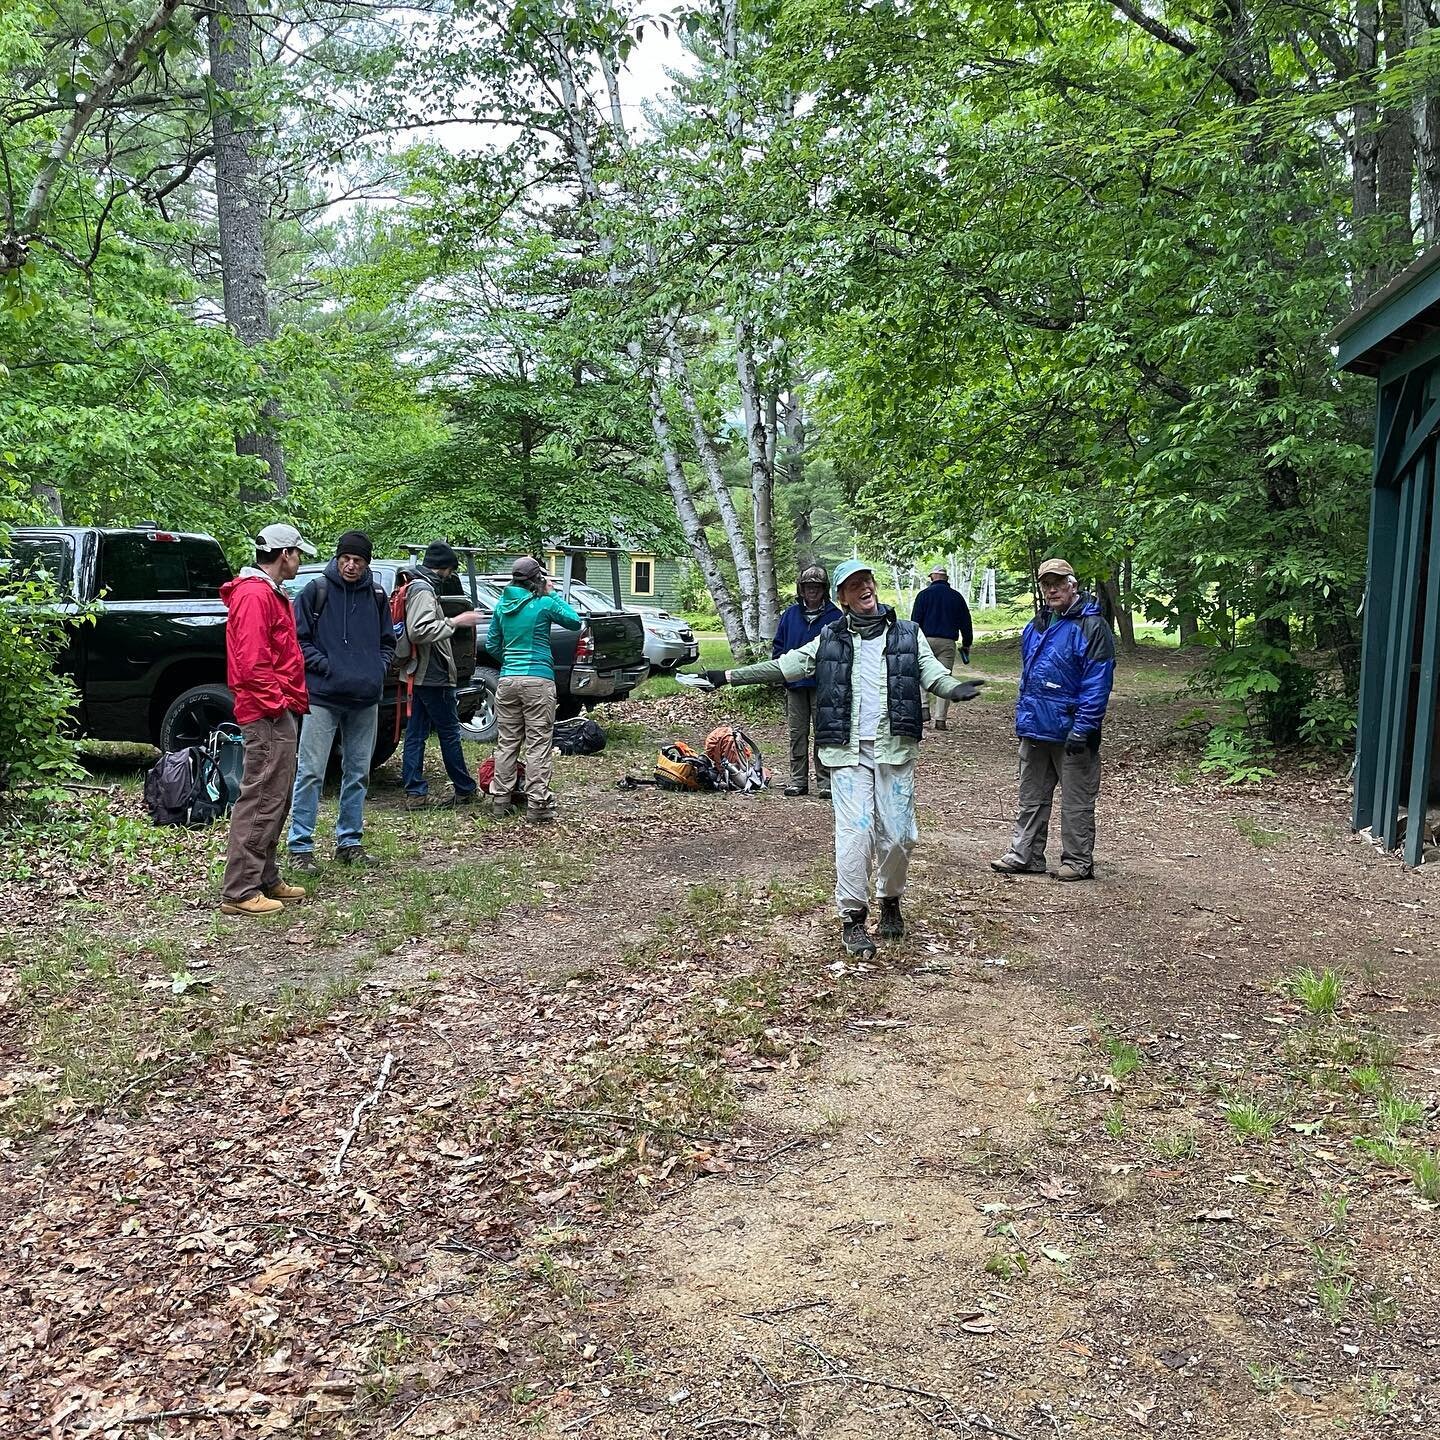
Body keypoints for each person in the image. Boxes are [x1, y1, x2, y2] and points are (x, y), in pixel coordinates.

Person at [703, 559, 983, 958]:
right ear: (843, 598)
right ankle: (852, 918)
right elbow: (784, 666)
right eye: (854, 585)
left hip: (894, 748)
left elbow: (932, 673)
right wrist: (727, 676)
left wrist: (955, 689)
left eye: (867, 581)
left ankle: (890, 900)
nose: (864, 588)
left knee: (901, 835)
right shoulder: (829, 638)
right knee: (856, 832)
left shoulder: (908, 633)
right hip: (847, 751)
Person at [991, 557, 1115, 882]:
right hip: (1035, 728)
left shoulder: (1092, 626)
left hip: (1073, 731)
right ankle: (1026, 855)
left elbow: (1097, 682)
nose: (1052, 589)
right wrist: (1024, 719)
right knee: (1030, 796)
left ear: (1072, 585)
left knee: (1076, 802)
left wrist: (1084, 727)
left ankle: (1076, 861)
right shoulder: (1037, 626)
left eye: (1058, 583)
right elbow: (1028, 677)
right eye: (1046, 584)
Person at [218, 522, 316, 916]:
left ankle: (264, 876)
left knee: (277, 793)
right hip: (266, 711)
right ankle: (240, 890)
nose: (299, 561)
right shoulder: (255, 596)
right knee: (261, 794)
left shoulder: (267, 594)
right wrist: (276, 705)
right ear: (284, 554)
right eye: (298, 554)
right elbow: (252, 661)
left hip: (277, 707)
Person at [286, 531, 395, 873]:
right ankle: (300, 846)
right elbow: (298, 640)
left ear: (367, 564)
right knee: (310, 772)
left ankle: (349, 841)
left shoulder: (377, 596)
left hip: (365, 697)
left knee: (358, 772)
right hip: (323, 696)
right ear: (337, 559)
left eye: (358, 560)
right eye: (346, 559)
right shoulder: (315, 592)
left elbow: (388, 641)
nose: (351, 565)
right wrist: (327, 666)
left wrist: (376, 669)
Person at [485, 556, 584, 823]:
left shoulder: (501, 607)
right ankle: (538, 804)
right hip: (538, 682)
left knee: (507, 742)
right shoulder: (543, 603)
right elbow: (575, 622)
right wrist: (553, 593)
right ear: (537, 578)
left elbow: (493, 644)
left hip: (507, 682)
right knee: (538, 743)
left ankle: (500, 800)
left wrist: (510, 662)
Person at [401, 541, 483, 810]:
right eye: (451, 571)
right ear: (445, 568)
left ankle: (416, 792)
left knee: (415, 733)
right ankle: (464, 788)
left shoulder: (416, 584)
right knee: (449, 732)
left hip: (420, 672)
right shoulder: (424, 589)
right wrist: (456, 622)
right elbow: (419, 630)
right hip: (432, 674)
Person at [771, 564, 843, 798]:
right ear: (801, 589)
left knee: (823, 734)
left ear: (824, 589)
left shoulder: (835, 616)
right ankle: (797, 780)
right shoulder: (790, 614)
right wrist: (780, 672)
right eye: (808, 586)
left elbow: (843, 652)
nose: (812, 591)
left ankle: (825, 782)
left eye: (817, 587)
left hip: (823, 685)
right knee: (797, 733)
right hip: (795, 684)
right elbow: (778, 646)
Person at [910, 565, 974, 731]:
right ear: (946, 578)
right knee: (944, 677)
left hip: (925, 640)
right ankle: (940, 719)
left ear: (932, 577)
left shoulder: (923, 595)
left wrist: (912, 640)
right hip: (947, 643)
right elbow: (966, 622)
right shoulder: (956, 597)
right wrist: (967, 643)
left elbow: (914, 621)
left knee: (922, 671)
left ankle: (924, 708)